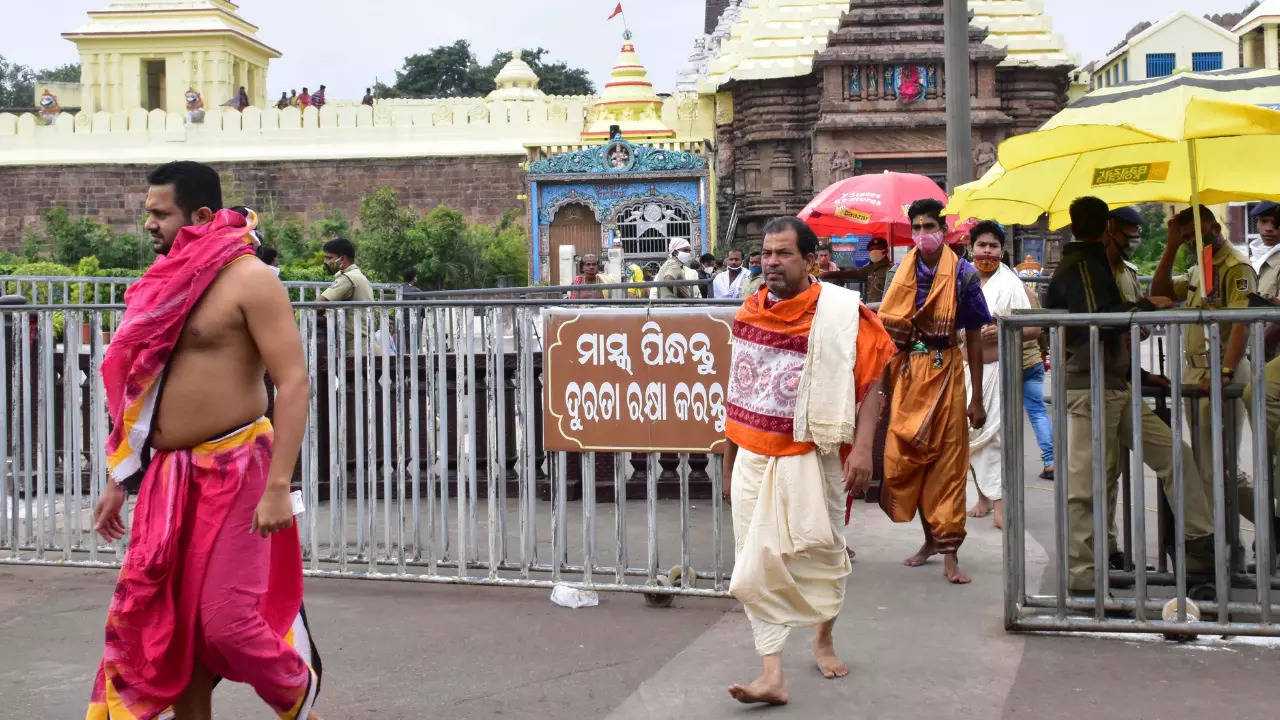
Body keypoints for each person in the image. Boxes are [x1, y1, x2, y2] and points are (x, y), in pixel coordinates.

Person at [87, 161, 322, 720]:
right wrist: (121, 479)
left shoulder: (250, 279)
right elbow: (142, 391)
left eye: (160, 214)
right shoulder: (160, 286)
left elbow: (293, 383)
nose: (150, 225)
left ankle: (301, 701)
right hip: (169, 476)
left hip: (240, 466)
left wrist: (278, 488)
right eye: (147, 213)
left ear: (201, 215)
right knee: (174, 628)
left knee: (228, 625)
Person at [722, 216, 894, 706]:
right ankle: (771, 672)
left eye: (782, 254)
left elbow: (874, 380)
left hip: (815, 454)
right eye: (765, 254)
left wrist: (863, 447)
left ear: (810, 259)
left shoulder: (842, 311)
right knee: (754, 560)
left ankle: (823, 638)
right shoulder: (749, 311)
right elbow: (739, 391)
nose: (771, 262)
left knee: (822, 551)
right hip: (754, 451)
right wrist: (729, 461)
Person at [1048, 197, 1213, 596]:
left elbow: (1107, 330)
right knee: (1087, 486)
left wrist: (1138, 372)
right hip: (1091, 388)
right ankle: (1085, 577)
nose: (1133, 240)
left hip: (1117, 384)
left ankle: (1200, 551)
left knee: (1176, 456)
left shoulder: (1100, 264)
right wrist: (1142, 307)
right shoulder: (1083, 264)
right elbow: (1098, 322)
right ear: (1107, 227)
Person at [876, 197, 991, 585]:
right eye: (918, 228)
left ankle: (950, 553)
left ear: (944, 231)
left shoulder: (964, 274)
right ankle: (929, 540)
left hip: (947, 372)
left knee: (948, 463)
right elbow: (886, 334)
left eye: (930, 227)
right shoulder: (899, 272)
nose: (923, 234)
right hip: (909, 374)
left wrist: (976, 398)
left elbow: (974, 336)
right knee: (906, 459)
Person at [1149, 205, 1258, 524]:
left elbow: (1241, 323)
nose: (1189, 242)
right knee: (1203, 466)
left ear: (1215, 228)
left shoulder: (1235, 266)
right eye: (1183, 238)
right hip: (1195, 371)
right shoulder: (1201, 268)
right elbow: (1160, 293)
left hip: (1223, 369)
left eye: (1193, 234)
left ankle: (1263, 527)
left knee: (1219, 469)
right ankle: (1221, 546)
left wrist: (1224, 371)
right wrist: (1169, 248)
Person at [965, 221, 1038, 529]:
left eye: (993, 246)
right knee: (971, 437)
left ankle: (1000, 504)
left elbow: (1033, 329)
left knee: (996, 438)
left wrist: (1003, 326)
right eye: (982, 245)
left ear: (1002, 250)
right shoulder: (961, 281)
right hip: (966, 371)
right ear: (971, 249)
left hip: (999, 371)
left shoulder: (1012, 285)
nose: (987, 252)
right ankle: (982, 496)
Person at [823, 237, 891, 304]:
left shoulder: (891, 269)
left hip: (885, 309)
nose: (874, 252)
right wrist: (830, 274)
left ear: (885, 251)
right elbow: (852, 274)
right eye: (871, 250)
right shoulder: (869, 268)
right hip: (871, 309)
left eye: (877, 249)